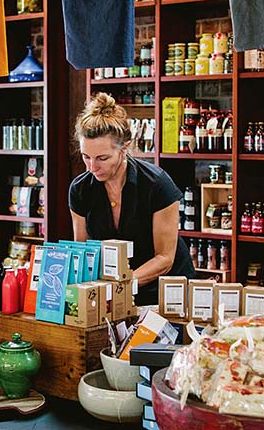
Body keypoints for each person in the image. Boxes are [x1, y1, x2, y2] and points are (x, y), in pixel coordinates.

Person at [69, 93, 194, 305]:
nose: (92, 167)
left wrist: (120, 286)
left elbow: (164, 258)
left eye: (102, 158)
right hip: (112, 293)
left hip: (165, 293)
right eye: (85, 156)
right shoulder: (80, 189)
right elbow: (84, 252)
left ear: (124, 148)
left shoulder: (157, 185)